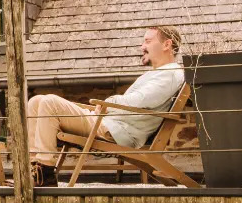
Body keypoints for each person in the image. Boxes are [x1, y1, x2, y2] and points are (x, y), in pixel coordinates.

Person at [26, 26, 185, 186]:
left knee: (49, 102)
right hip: (107, 123)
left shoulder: (170, 75)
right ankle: (34, 169)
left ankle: (45, 172)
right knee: (36, 101)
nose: (142, 47)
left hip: (116, 131)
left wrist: (110, 103)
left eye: (148, 41)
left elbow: (140, 100)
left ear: (166, 45)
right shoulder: (160, 73)